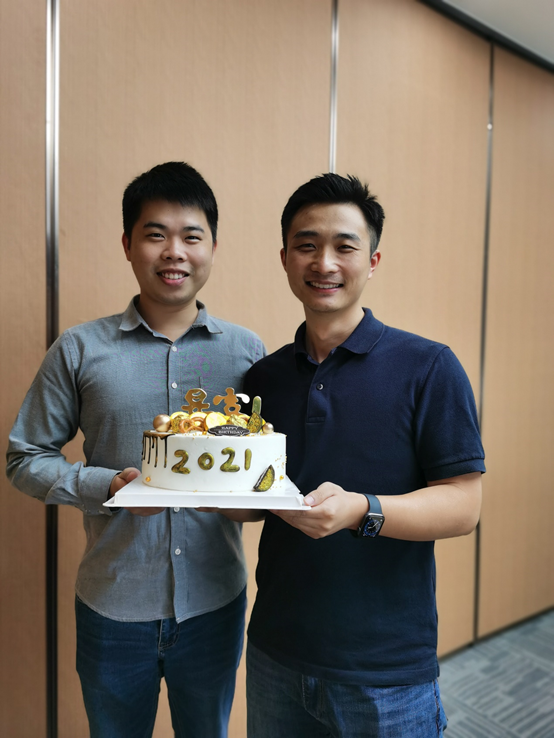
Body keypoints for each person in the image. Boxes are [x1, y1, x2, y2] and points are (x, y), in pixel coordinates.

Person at [6, 161, 265, 738]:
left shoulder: (249, 354)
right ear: (127, 244)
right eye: (155, 234)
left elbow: (263, 471)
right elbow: (24, 457)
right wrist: (107, 487)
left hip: (215, 602)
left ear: (213, 247)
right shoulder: (79, 349)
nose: (175, 252)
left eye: (192, 236)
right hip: (114, 605)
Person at [242, 173, 485, 737]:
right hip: (276, 650)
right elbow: (258, 498)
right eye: (306, 245)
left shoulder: (429, 366)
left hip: (386, 669)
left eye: (344, 246)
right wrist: (199, 492)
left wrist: (361, 509)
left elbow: (463, 506)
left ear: (372, 260)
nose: (324, 262)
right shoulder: (263, 378)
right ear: (284, 259)